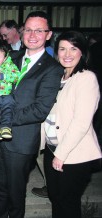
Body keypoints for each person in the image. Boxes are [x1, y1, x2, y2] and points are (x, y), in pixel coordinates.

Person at [0, 11, 63, 218]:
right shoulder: (10, 58)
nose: (32, 35)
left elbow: (40, 109)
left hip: (21, 141)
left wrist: (1, 115)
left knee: (15, 194)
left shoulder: (52, 69)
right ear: (22, 32)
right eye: (28, 29)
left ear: (49, 34)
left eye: (39, 30)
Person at [43, 30, 102, 218]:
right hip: (53, 149)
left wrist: (61, 155)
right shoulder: (59, 78)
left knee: (68, 203)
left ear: (82, 52)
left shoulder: (86, 78)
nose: (67, 54)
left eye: (73, 48)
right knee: (56, 198)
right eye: (62, 49)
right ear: (56, 51)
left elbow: (81, 123)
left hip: (73, 155)